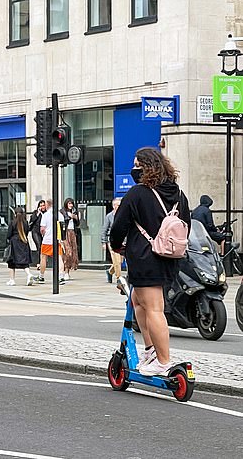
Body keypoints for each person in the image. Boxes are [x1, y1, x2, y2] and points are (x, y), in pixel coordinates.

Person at [110, 147, 190, 376]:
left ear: (145, 168)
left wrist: (117, 246)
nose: (134, 169)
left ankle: (163, 361)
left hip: (146, 259)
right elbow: (186, 225)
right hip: (170, 258)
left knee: (154, 309)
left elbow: (118, 227)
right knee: (137, 301)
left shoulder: (137, 193)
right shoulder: (179, 194)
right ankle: (150, 350)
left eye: (137, 165)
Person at [5, 207, 34, 286]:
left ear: (15, 214)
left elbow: (9, 234)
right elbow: (27, 232)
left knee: (11, 262)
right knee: (24, 262)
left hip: (14, 243)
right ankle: (28, 274)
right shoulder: (25, 223)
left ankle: (12, 280)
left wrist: (8, 239)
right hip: (24, 241)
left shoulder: (12, 222)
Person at [39, 199, 65, 285]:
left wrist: (43, 233)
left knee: (43, 258)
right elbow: (62, 227)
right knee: (59, 257)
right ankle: (61, 275)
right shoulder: (60, 215)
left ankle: (41, 276)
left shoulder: (45, 215)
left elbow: (42, 228)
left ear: (47, 205)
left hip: (47, 240)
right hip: (57, 239)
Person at [101, 198, 123, 283]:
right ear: (114, 206)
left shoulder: (123, 215)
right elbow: (104, 229)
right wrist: (103, 242)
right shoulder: (109, 216)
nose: (120, 207)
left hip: (122, 240)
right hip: (112, 240)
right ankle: (119, 278)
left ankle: (110, 272)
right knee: (117, 260)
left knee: (119, 261)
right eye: (118, 205)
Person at [59, 198, 80, 280]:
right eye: (69, 203)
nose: (71, 205)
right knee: (68, 252)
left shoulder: (74, 211)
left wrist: (75, 218)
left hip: (72, 233)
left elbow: (78, 224)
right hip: (65, 233)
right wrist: (69, 216)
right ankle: (64, 270)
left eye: (72, 203)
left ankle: (67, 271)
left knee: (73, 251)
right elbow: (62, 222)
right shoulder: (62, 211)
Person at [28, 200, 46, 269]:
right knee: (39, 246)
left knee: (43, 247)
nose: (42, 207)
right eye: (41, 206)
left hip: (44, 232)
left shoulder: (46, 213)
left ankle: (43, 261)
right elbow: (32, 220)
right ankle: (39, 263)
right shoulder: (36, 213)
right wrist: (38, 213)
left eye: (43, 205)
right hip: (35, 231)